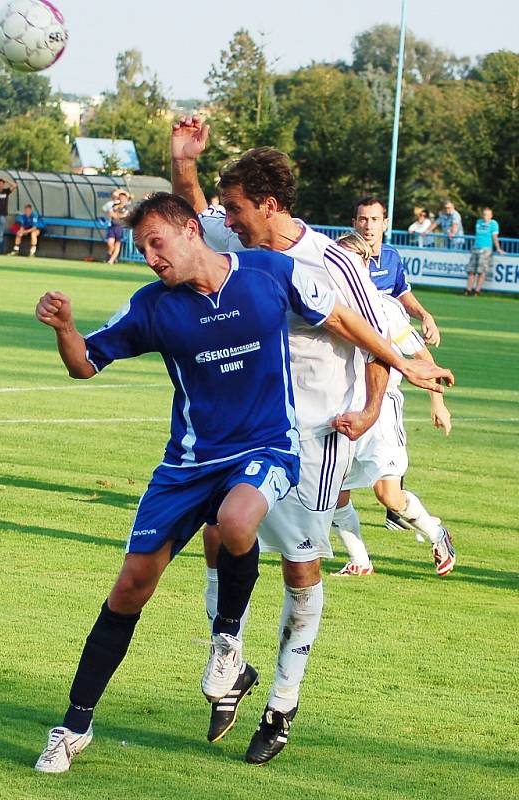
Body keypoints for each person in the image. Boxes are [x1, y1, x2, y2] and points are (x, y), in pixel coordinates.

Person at [33, 192, 453, 774]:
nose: (150, 257)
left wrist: (407, 365)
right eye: (141, 249)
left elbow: (344, 321)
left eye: (156, 242)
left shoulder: (268, 274)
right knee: (130, 586)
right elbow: (83, 364)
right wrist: (65, 326)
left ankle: (227, 643)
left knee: (235, 521)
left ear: (189, 231)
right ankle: (73, 726)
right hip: (188, 462)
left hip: (265, 446)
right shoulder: (152, 307)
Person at [171, 119, 454, 763]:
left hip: (319, 436)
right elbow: (192, 220)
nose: (229, 219)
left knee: (300, 567)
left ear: (269, 204)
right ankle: (230, 657)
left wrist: (370, 405)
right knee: (219, 529)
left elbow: (379, 340)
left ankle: (282, 703)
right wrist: (182, 162)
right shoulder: (236, 236)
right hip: (250, 429)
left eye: (238, 208)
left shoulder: (333, 263)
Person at [330, 232, 455, 579]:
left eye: (347, 264)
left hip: (382, 407)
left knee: (389, 496)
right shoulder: (327, 307)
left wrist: (437, 403)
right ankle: (360, 560)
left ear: (363, 267)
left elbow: (421, 356)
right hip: (344, 408)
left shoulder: (385, 308)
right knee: (335, 491)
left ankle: (436, 532)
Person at [352, 196, 441, 347]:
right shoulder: (344, 258)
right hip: (360, 337)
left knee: (429, 366)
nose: (369, 226)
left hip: (394, 328)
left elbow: (401, 293)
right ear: (354, 223)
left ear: (385, 224)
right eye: (363, 219)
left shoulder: (391, 255)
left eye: (375, 219)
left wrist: (425, 316)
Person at [465, 207, 504, 296]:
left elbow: (494, 237)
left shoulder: (493, 224)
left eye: (487, 215)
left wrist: (498, 248)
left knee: (481, 271)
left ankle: (477, 291)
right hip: (476, 248)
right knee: (471, 270)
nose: (485, 217)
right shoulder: (479, 222)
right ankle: (468, 290)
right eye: (484, 214)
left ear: (491, 216)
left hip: (486, 249)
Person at [102, 189, 131, 264]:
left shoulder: (126, 207)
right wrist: (117, 215)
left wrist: (117, 216)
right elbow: (110, 214)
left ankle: (111, 260)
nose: (122, 199)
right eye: (120, 197)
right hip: (112, 226)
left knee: (117, 244)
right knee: (110, 243)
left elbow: (124, 216)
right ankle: (110, 254)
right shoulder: (115, 205)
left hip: (120, 227)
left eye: (123, 198)